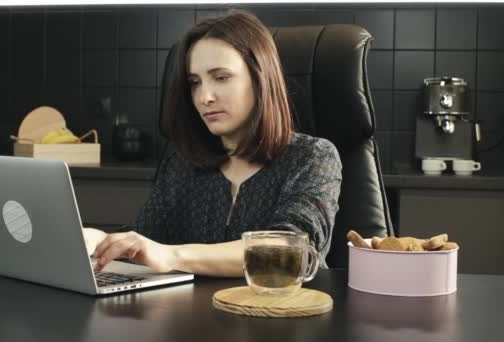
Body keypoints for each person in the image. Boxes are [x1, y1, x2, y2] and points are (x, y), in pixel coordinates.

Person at [83, 10, 342, 277]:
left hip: (281, 315)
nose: (204, 97)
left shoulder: (313, 157)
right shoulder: (182, 163)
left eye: (221, 77)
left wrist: (172, 255)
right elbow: (144, 240)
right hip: (193, 316)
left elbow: (290, 253)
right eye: (195, 83)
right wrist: (98, 240)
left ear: (260, 79)